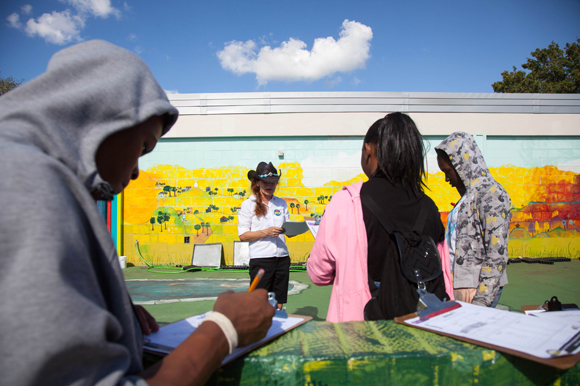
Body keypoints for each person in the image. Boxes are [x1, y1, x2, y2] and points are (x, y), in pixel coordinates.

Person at [0, 40, 275, 386]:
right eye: (144, 146)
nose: (135, 172)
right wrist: (223, 331)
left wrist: (107, 311)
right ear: (105, 118)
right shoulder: (24, 177)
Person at [307, 113, 448, 322]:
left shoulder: (346, 202)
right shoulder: (428, 206)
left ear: (369, 149)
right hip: (421, 321)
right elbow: (441, 270)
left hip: (361, 327)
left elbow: (319, 273)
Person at [436, 132, 511, 307]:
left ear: (463, 165)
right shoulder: (468, 197)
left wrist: (482, 300)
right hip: (459, 285)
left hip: (476, 289)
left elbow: (496, 254)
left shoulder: (491, 194)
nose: (447, 179)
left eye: (448, 172)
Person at [238, 162, 294, 310]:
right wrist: (266, 232)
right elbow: (243, 235)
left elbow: (289, 231)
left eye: (273, 182)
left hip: (282, 257)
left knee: (279, 299)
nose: (270, 185)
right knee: (258, 300)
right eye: (266, 182)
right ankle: (260, 330)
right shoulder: (248, 204)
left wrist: (296, 229)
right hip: (261, 258)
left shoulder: (281, 203)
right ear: (257, 182)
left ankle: (278, 326)